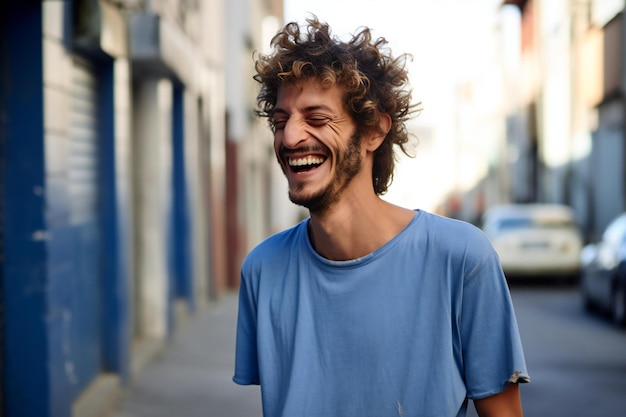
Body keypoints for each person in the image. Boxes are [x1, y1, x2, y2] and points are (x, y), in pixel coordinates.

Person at [233, 16, 530, 417]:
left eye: (317, 118)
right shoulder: (262, 269)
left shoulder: (460, 257)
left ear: (374, 131)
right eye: (281, 121)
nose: (289, 138)